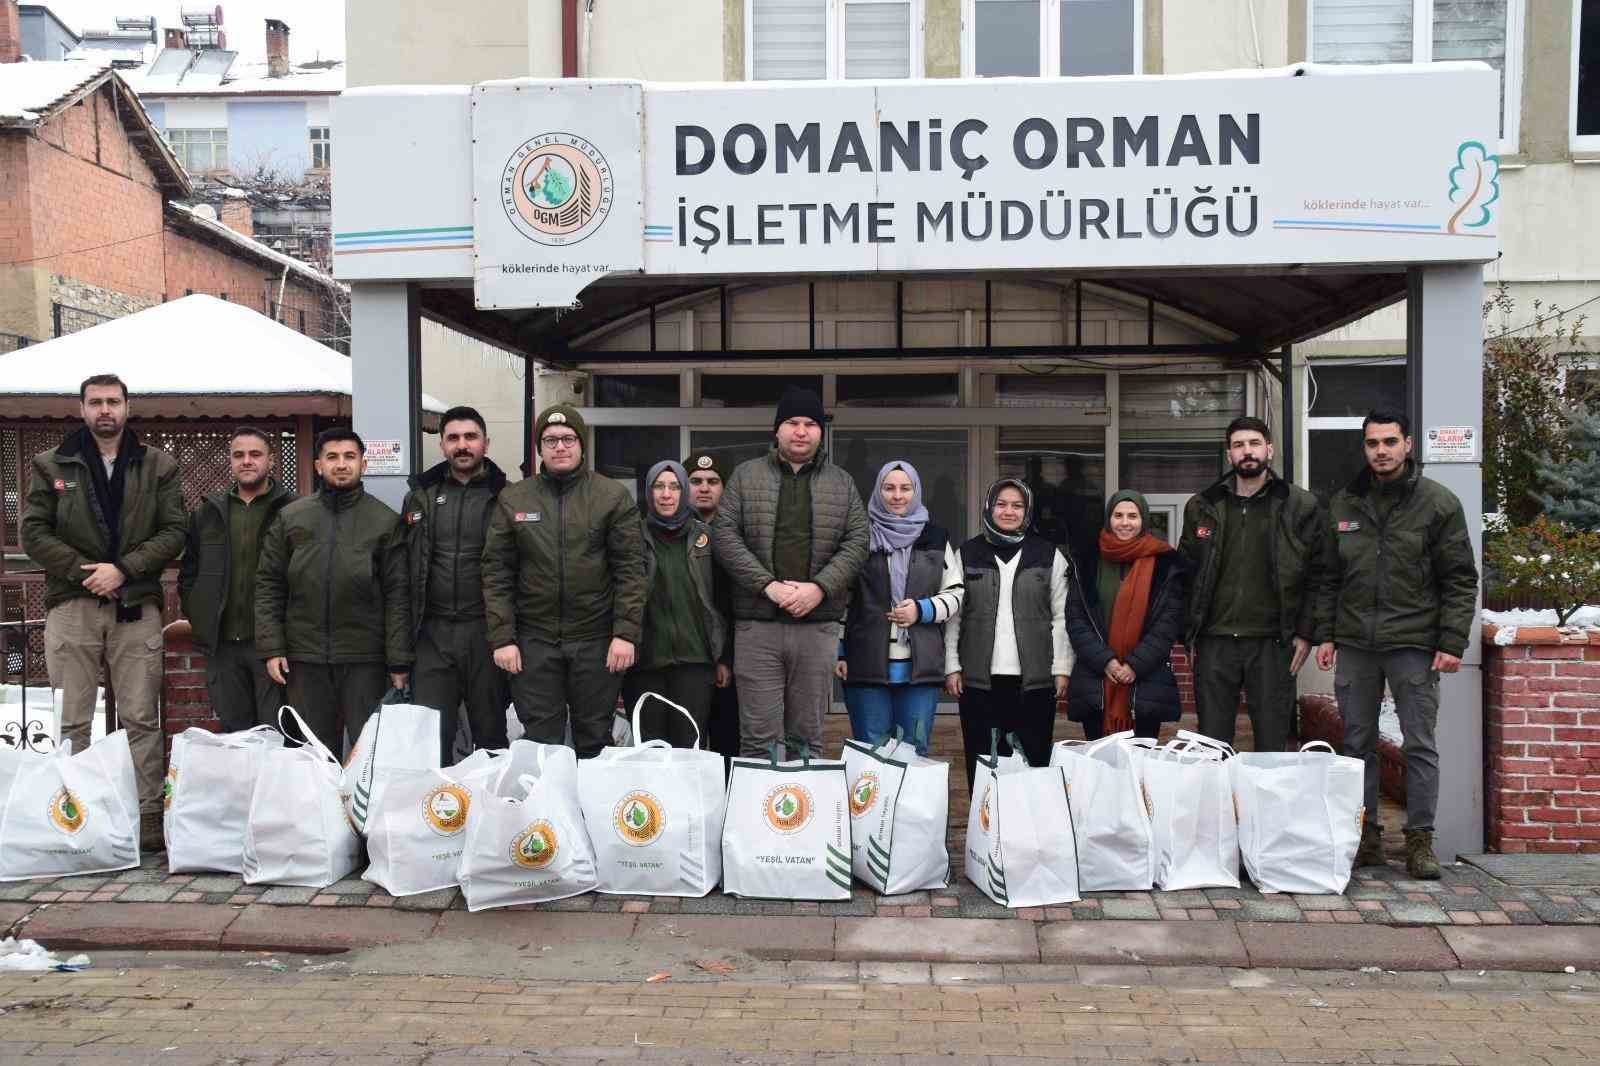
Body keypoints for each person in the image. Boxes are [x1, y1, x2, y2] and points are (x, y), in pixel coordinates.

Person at [22, 373, 186, 851]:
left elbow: (174, 532)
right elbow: (34, 533)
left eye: (113, 401)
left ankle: (148, 814)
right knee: (73, 718)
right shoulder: (51, 463)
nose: (105, 410)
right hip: (72, 604)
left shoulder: (158, 465)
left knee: (140, 717)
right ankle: (73, 812)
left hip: (135, 605)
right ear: (82, 409)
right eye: (96, 402)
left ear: (128, 407)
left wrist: (124, 570)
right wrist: (84, 572)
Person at [1316, 409, 1479, 879]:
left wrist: (1451, 639)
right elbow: (1328, 577)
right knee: (1356, 743)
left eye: (1390, 441)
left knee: (1419, 744)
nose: (1381, 451)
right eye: (1372, 443)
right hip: (1356, 644)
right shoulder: (1344, 503)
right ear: (1364, 448)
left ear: (1408, 444)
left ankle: (1420, 843)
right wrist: (1327, 633)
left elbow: (1460, 579)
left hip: (1414, 642)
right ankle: (1365, 838)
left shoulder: (1438, 503)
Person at [712, 385, 869, 757]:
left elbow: (858, 541)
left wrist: (819, 588)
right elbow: (725, 536)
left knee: (807, 740)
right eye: (793, 422)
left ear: (820, 432)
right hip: (757, 627)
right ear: (777, 430)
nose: (801, 431)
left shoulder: (842, 483)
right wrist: (767, 586)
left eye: (810, 424)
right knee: (757, 740)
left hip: (817, 627)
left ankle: (804, 817)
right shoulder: (745, 476)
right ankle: (758, 816)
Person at [482, 404, 646, 758]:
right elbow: (497, 573)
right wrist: (503, 638)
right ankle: (547, 813)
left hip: (596, 640)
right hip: (533, 642)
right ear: (539, 448)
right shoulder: (515, 499)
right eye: (551, 439)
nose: (560, 446)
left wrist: (625, 634)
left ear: (581, 445)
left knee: (593, 738)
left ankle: (591, 812)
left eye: (568, 438)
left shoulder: (611, 497)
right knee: (541, 741)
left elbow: (631, 570)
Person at [255, 428, 411, 756]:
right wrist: (272, 647)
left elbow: (398, 594)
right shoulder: (291, 517)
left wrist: (398, 661)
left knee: (371, 754)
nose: (341, 464)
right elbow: (269, 583)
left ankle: (362, 811)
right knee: (312, 756)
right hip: (304, 658)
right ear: (318, 466)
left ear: (363, 464)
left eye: (350, 457)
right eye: (332, 457)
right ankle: (320, 810)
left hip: (365, 659)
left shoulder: (384, 520)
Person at [1179, 416, 1330, 752]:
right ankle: (1219, 805)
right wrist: (1187, 632)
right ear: (1229, 454)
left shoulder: (1299, 505)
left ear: (1269, 450)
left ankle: (1268, 806)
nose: (1247, 452)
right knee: (1211, 744)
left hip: (1274, 644)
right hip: (1215, 641)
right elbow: (1185, 572)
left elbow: (1319, 574)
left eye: (1254, 443)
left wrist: (1307, 632)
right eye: (1238, 445)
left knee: (1273, 745)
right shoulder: (1203, 506)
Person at [397, 406, 511, 763]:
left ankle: (494, 815)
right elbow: (403, 571)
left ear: (486, 443)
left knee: (491, 735)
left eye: (471, 437)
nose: (463, 445)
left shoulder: (509, 496)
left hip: (487, 634)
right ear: (442, 445)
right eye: (454, 438)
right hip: (432, 634)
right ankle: (437, 816)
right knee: (431, 739)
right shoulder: (420, 496)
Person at [944, 478, 1073, 790]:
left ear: (1027, 512)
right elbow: (954, 616)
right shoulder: (967, 553)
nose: (1009, 511)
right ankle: (984, 833)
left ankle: (1027, 834)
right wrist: (952, 665)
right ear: (989, 507)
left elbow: (1062, 616)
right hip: (978, 681)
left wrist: (1062, 667)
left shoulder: (1048, 555)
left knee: (1032, 762)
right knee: (982, 763)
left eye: (1017, 505)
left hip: (1034, 681)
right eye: (1001, 504)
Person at [836, 460, 963, 756]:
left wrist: (922, 610)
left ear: (916, 491)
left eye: (905, 488)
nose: (897, 495)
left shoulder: (936, 537)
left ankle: (907, 806)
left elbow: (956, 593)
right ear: (878, 491)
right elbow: (843, 598)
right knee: (872, 754)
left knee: (914, 753)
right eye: (889, 488)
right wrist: (839, 651)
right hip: (865, 662)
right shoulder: (859, 536)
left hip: (920, 667)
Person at [178, 426, 296, 731]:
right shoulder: (208, 512)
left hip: (272, 645)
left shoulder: (294, 510)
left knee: (277, 734)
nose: (247, 461)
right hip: (224, 646)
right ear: (230, 461)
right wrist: (198, 613)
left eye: (255, 454)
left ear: (271, 461)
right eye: (238, 455)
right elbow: (190, 570)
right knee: (236, 736)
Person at [1064, 491, 1187, 741]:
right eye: (1118, 515)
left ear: (1144, 520)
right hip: (1096, 682)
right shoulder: (1087, 560)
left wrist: (1134, 665)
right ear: (1109, 519)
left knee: (1139, 767)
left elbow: (1168, 622)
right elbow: (1077, 618)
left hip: (1145, 683)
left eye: (1133, 516)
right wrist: (1107, 661)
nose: (1125, 522)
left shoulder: (1166, 564)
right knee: (1101, 765)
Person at [624, 460, 728, 747]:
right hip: (644, 665)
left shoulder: (707, 538)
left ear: (683, 492)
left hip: (695, 664)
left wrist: (724, 658)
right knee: (650, 752)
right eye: (658, 486)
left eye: (674, 486)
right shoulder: (632, 536)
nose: (666, 494)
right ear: (648, 492)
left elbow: (724, 600)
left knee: (689, 751)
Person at [683, 450, 740, 761]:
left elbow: (736, 603)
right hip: (684, 655)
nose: (704, 488)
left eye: (713, 481)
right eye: (695, 481)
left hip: (725, 658)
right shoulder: (673, 530)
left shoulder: (736, 534)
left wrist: (726, 658)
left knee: (725, 743)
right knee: (687, 745)